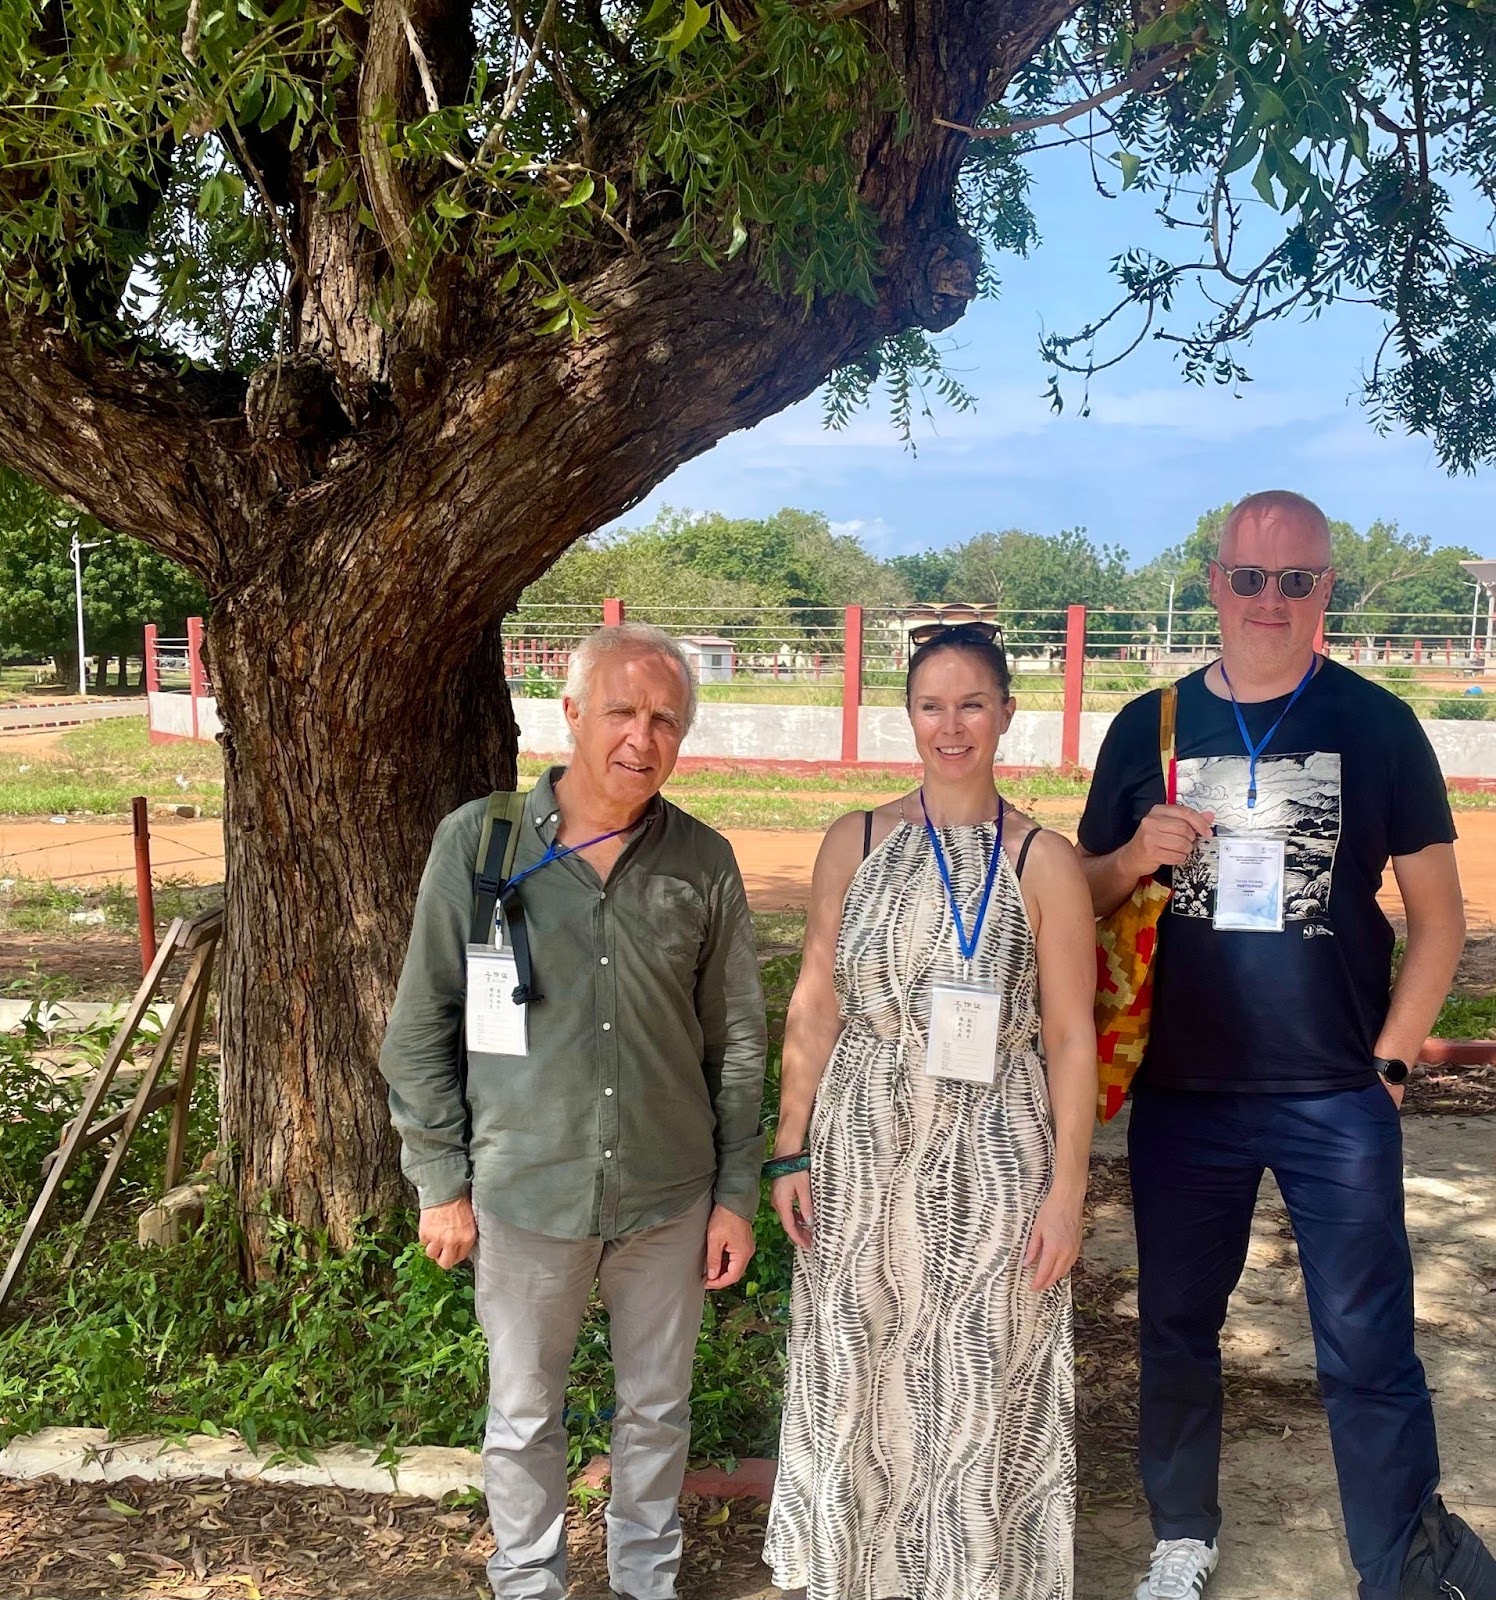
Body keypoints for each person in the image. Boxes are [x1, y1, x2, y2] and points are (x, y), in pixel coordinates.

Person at [1077, 490, 1487, 1600]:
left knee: (1367, 1344)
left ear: (1325, 590)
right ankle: (1180, 1537)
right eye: (1248, 578)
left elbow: (1438, 919)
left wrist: (1392, 1061)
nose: (1269, 599)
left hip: (1332, 1091)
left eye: (1294, 579)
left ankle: (1397, 1563)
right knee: (1173, 1325)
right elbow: (1074, 895)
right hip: (1184, 1090)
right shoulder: (1144, 725)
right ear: (1213, 581)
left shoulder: (1375, 723)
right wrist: (1131, 855)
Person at [378, 622, 767, 1600]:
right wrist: (440, 1180)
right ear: (572, 714)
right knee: (521, 1413)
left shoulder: (702, 862)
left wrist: (732, 1195)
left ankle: (645, 1580)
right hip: (522, 1191)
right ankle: (527, 1582)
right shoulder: (482, 844)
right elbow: (418, 1025)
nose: (642, 736)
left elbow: (737, 1043)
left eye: (666, 718)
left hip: (666, 1196)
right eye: (623, 711)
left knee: (656, 1409)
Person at [763, 621, 1098, 1600]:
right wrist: (790, 1146)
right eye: (929, 704)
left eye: (970, 703)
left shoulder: (1042, 861)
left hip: (993, 1155)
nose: (949, 725)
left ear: (1003, 713)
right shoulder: (855, 840)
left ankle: (964, 1576)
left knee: (972, 1370)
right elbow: (815, 999)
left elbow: (1071, 1036)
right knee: (853, 1360)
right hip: (861, 1146)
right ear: (906, 714)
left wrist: (1066, 1191)